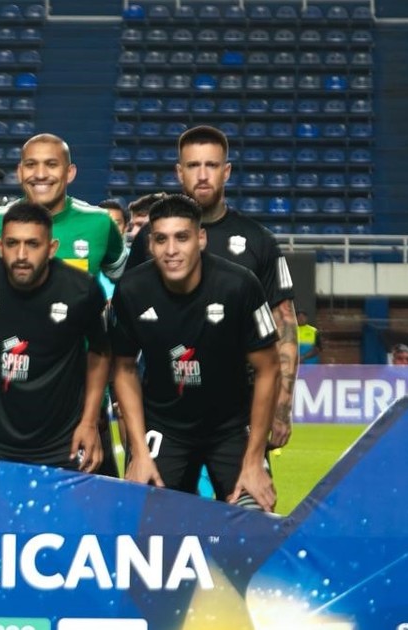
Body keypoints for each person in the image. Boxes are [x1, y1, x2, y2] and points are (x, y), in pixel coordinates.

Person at [126, 126, 297, 451]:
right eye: (193, 165)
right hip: (162, 412)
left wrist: (282, 405)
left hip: (237, 412)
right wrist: (125, 410)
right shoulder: (151, 239)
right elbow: (126, 329)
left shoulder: (259, 241)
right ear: (180, 172)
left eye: (211, 165)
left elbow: (284, 328)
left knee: (246, 485)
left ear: (226, 171)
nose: (202, 175)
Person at [111, 195, 280, 511]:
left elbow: (268, 368)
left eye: (182, 237)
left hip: (231, 426)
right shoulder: (132, 289)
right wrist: (139, 452)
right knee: (144, 513)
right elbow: (123, 367)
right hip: (164, 425)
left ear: (200, 238)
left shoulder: (240, 285)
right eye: (161, 239)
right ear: (150, 245)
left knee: (254, 515)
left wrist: (254, 459)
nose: (171, 250)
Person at [0, 203, 111, 472]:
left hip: (62, 442)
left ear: (51, 248)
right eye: (12, 243)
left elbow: (100, 353)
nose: (21, 255)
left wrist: (89, 422)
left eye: (32, 244)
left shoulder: (81, 289)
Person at [0, 133, 128, 288]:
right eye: (31, 165)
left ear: (69, 173)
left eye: (51, 165)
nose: (40, 174)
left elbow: (125, 277)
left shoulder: (100, 222)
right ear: (20, 173)